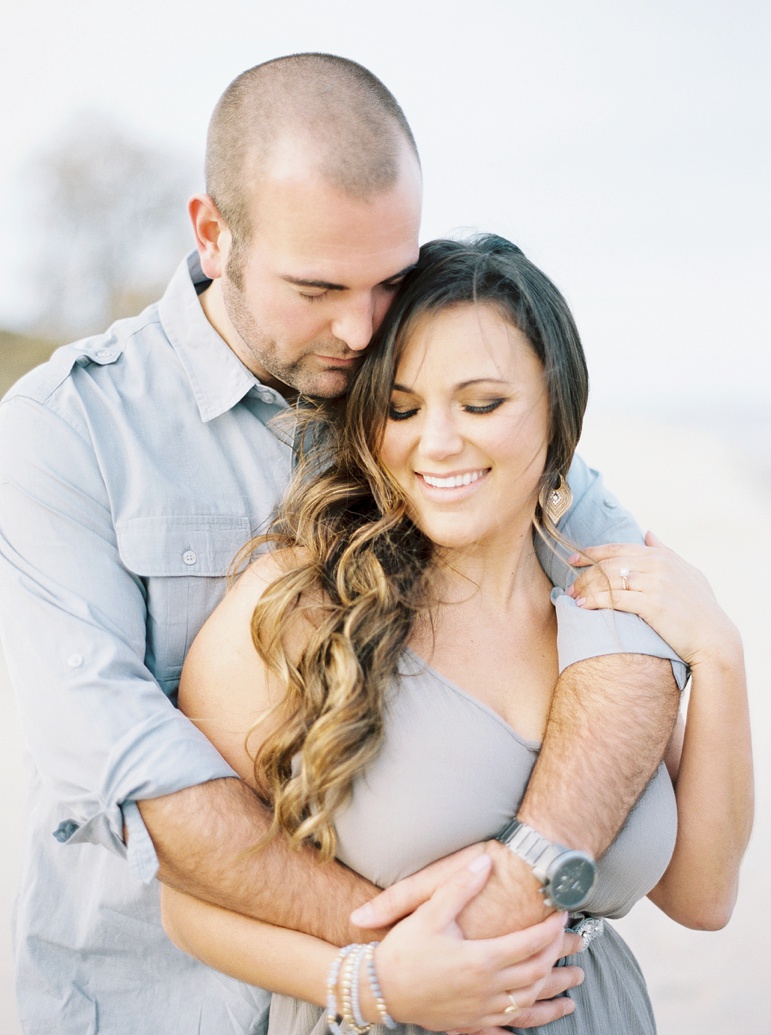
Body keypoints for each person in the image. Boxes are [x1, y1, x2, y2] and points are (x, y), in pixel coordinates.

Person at [0, 55, 683, 1034]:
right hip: (155, 1003)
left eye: (389, 280)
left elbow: (631, 629)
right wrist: (387, 948)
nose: (363, 328)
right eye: (318, 286)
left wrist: (524, 878)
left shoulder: (426, 365)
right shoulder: (66, 433)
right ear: (212, 232)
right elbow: (135, 774)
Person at [160, 235, 753, 1034]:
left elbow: (701, 896)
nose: (435, 441)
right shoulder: (297, 608)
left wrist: (718, 655)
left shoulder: (604, 609)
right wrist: (370, 980)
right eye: (401, 408)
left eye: (481, 403)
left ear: (556, 406)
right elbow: (189, 895)